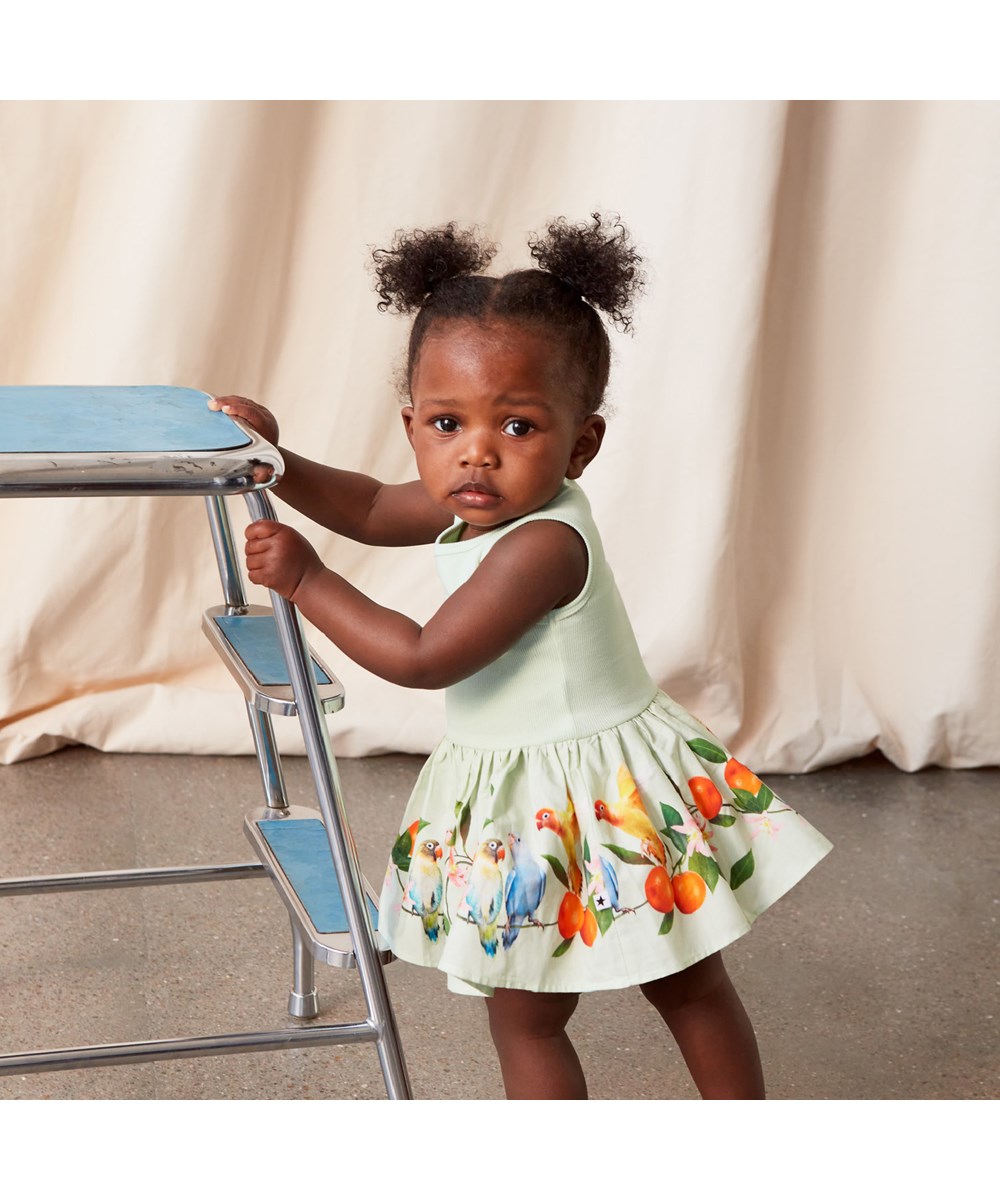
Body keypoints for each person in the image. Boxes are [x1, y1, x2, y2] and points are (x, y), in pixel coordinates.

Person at [210, 214, 832, 1100]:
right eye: (445, 422)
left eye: (518, 425)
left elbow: (425, 656)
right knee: (538, 1009)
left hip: (605, 798)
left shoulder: (539, 546)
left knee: (676, 982)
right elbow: (374, 508)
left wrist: (310, 580)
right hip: (531, 793)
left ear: (582, 442)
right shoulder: (483, 498)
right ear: (414, 425)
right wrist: (280, 461)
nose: (477, 450)